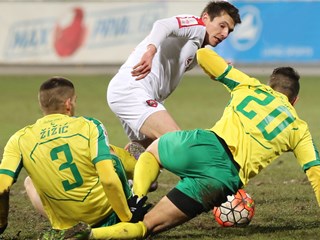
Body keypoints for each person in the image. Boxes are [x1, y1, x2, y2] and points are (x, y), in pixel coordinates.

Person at [58, 47, 320, 239]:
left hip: (203, 145)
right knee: (146, 227)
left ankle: (136, 198)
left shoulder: (250, 87)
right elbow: (315, 173)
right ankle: (90, 237)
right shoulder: (299, 128)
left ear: (270, 85)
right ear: (294, 101)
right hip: (221, 180)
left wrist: (216, 67)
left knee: (152, 152)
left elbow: (204, 54)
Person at [0, 77, 150, 239]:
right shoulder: (90, 125)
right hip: (106, 216)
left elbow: (2, 185)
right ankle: (139, 176)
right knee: (110, 157)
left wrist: (1, 223)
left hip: (66, 223)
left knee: (29, 181)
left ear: (42, 104)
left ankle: (64, 229)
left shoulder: (19, 139)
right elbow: (108, 179)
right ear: (68, 103)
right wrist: (127, 216)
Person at [107, 1, 241, 150]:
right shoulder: (197, 26)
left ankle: (114, 162)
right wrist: (150, 50)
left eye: (229, 30)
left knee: (149, 154)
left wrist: (216, 67)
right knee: (177, 142)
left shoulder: (197, 47)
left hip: (142, 94)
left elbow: (188, 59)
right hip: (132, 89)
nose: (225, 34)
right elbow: (162, 25)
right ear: (205, 18)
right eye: (222, 26)